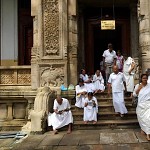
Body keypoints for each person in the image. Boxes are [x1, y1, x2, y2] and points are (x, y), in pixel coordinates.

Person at [133, 74, 150, 141]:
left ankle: (148, 134)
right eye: (143, 78)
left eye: (146, 78)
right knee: (142, 119)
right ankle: (143, 129)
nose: (145, 79)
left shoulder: (149, 86)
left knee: (148, 119)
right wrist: (139, 89)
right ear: (141, 79)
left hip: (148, 104)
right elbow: (134, 94)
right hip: (140, 105)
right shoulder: (138, 85)